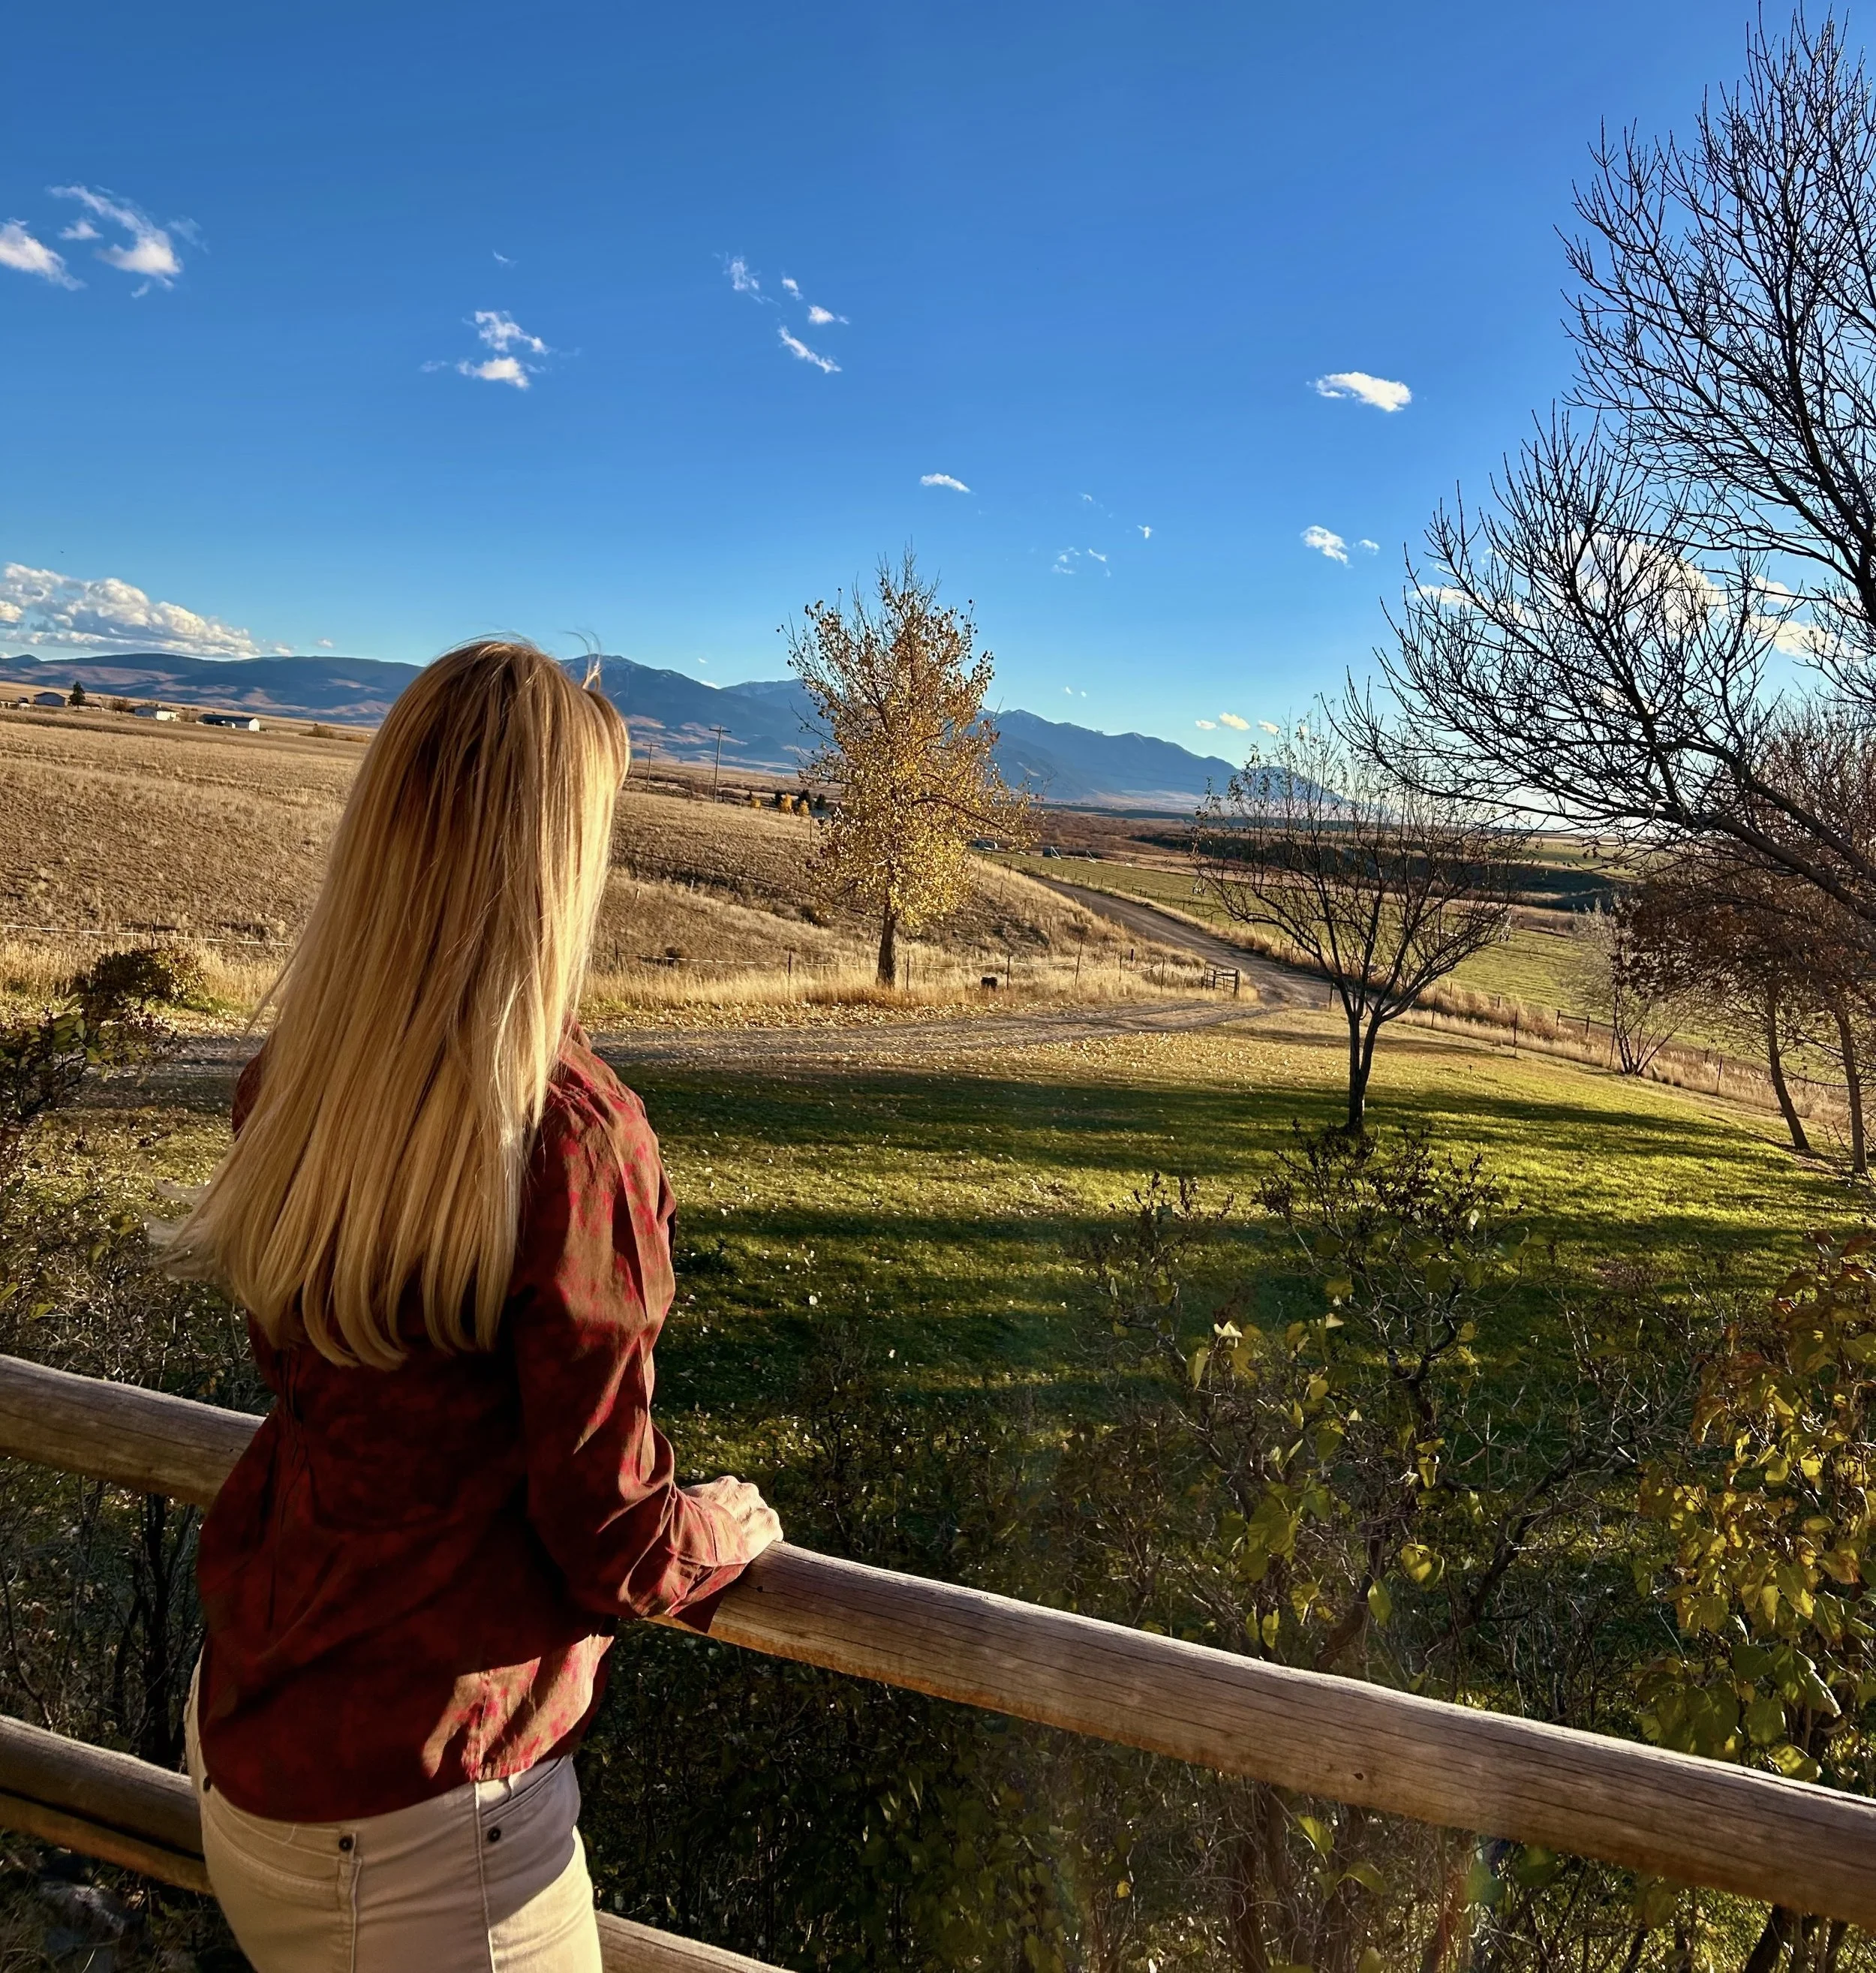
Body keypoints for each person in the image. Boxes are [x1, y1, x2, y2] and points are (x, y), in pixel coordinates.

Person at [164, 640, 782, 1971]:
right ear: (556, 865)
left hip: (253, 1744)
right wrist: (722, 1528)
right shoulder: (574, 1141)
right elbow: (613, 1537)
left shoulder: (301, 1083)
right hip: (434, 1832)